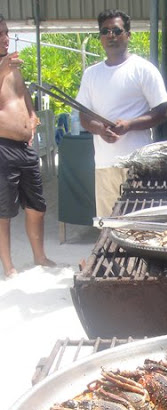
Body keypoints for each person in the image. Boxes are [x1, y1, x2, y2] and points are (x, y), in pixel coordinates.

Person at [76, 9, 167, 218]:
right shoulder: (91, 74)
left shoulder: (143, 69)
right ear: (100, 37)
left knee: (138, 226)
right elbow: (84, 115)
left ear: (128, 34)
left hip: (136, 165)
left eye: (117, 30)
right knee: (108, 227)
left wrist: (129, 125)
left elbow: (163, 112)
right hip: (104, 166)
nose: (111, 36)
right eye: (106, 31)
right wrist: (99, 129)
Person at [0, 15, 55, 279]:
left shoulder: (14, 66)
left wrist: (32, 117)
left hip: (24, 147)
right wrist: (3, 68)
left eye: (6, 32)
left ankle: (40, 256)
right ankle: (9, 266)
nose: (5, 37)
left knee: (37, 205)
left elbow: (24, 95)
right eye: (0, 34)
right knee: (4, 210)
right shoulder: (6, 66)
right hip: (2, 148)